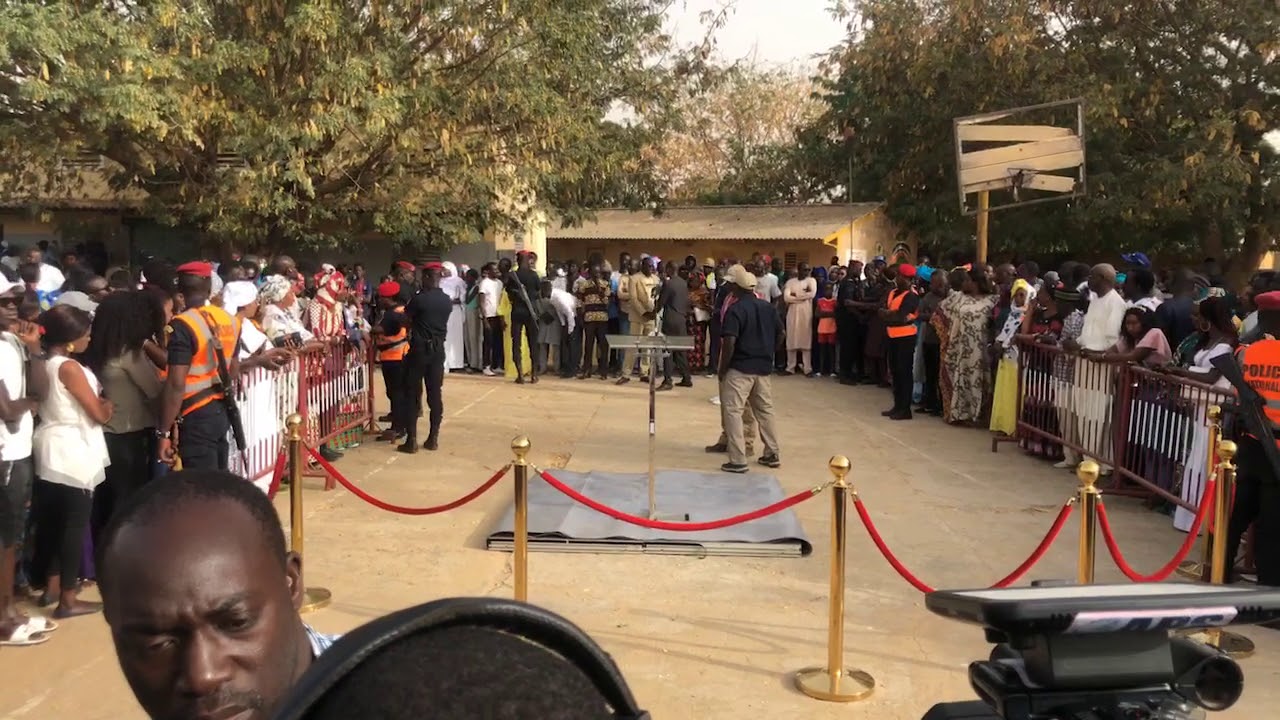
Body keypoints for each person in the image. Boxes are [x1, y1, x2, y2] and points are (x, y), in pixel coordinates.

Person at [99, 469, 339, 720]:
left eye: (236, 623)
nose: (203, 676)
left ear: (291, 583)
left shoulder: (369, 693)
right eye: (158, 645)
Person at [31, 305, 111, 618]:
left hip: (49, 445)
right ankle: (67, 597)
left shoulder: (42, 363)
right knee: (74, 525)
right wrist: (107, 407)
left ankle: (51, 587)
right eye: (85, 334)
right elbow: (97, 413)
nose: (89, 338)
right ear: (69, 341)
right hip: (73, 448)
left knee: (53, 521)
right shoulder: (70, 368)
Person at [82, 291, 164, 546]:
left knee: (105, 500)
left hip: (102, 433)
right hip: (131, 434)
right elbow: (155, 391)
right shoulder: (129, 354)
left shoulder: (93, 351)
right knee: (129, 499)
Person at [1160, 296, 1236, 532]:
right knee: (1194, 463)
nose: (1194, 319)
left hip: (1214, 410)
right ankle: (1188, 517)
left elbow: (1212, 376)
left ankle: (1203, 520)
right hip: (1199, 407)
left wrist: (1181, 372)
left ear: (1209, 318)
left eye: (1199, 316)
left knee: (1205, 463)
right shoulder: (1206, 340)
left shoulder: (1227, 343)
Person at [157, 262, 242, 471]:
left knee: (200, 482)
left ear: (180, 291)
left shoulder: (182, 324)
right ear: (209, 287)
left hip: (195, 413)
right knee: (218, 479)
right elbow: (233, 369)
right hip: (221, 409)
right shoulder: (229, 320)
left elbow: (176, 383)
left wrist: (164, 432)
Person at [1222, 291, 1280, 587]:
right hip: (1276, 449)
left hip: (1252, 442)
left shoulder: (1246, 353)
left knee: (1240, 513)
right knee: (1271, 523)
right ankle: (1269, 587)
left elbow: (1238, 396)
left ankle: (1221, 569)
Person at [0, 277, 45, 645]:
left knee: (12, 538)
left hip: (18, 451)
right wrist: (29, 403)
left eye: (14, 299)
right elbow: (8, 409)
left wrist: (34, 351)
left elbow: (39, 392)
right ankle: (4, 619)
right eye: (3, 302)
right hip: (6, 455)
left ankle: (9, 610)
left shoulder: (13, 342)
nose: (12, 306)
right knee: (5, 540)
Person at [717, 268, 782, 473]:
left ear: (737, 287)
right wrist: (769, 352)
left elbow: (729, 342)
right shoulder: (768, 308)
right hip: (762, 368)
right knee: (765, 411)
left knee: (733, 412)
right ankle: (772, 453)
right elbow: (781, 334)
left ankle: (738, 459)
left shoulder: (735, 310)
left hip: (740, 368)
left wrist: (723, 369)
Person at [1064, 263, 1127, 472]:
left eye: (1092, 276)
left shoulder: (1115, 303)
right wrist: (1076, 344)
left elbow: (1112, 340)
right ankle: (1089, 459)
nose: (1088, 280)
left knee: (1097, 413)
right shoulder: (1095, 300)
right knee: (1083, 412)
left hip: (1100, 365)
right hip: (1084, 362)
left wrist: (1088, 351)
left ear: (1103, 278)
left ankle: (1097, 462)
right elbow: (1089, 334)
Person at [400, 266, 452, 452]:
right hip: (438, 350)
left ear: (429, 277)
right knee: (435, 394)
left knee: (413, 393)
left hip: (419, 349)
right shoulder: (446, 300)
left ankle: (412, 440)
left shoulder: (420, 299)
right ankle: (433, 438)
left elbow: (406, 319)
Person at [936, 265, 996, 425]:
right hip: (961, 348)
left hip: (981, 349)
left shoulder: (992, 300)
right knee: (962, 379)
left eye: (968, 280)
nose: (964, 283)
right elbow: (941, 312)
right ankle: (961, 414)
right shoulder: (959, 298)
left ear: (975, 282)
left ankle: (979, 416)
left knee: (980, 380)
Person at [989, 279, 1032, 435]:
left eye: (1023, 295)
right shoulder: (1012, 314)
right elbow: (1004, 332)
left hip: (1018, 359)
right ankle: (1003, 424)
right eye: (1017, 295)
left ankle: (1014, 427)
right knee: (1004, 391)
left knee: (1016, 393)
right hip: (1006, 357)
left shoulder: (1027, 315)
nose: (1019, 299)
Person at [881, 264, 921, 420]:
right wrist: (890, 315)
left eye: (900, 276)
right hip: (891, 335)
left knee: (904, 372)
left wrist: (888, 315)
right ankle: (897, 405)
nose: (897, 278)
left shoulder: (911, 295)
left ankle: (905, 409)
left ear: (907, 279)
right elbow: (882, 309)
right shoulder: (892, 292)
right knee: (895, 372)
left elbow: (901, 316)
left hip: (906, 336)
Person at [372, 282, 410, 443]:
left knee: (396, 394)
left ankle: (397, 428)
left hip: (394, 357)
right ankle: (401, 425)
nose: (379, 300)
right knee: (398, 393)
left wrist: (367, 329)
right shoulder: (401, 310)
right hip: (401, 355)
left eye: (381, 297)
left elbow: (379, 330)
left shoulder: (392, 315)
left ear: (388, 298)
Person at [618, 257, 659, 385]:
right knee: (633, 346)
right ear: (643, 266)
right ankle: (626, 374)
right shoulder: (634, 279)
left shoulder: (656, 279)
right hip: (638, 317)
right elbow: (634, 299)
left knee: (647, 347)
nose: (651, 268)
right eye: (649, 266)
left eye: (652, 266)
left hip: (651, 317)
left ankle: (644, 372)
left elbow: (657, 296)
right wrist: (644, 312)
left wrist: (654, 312)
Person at [505, 252, 541, 384]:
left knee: (516, 343)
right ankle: (534, 375)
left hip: (517, 312)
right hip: (531, 312)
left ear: (518, 261)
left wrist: (517, 295)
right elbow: (538, 292)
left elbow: (509, 293)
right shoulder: (534, 275)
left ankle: (520, 374)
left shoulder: (513, 276)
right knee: (533, 343)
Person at [916, 271, 948, 415]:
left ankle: (941, 405)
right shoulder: (928, 297)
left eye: (937, 283)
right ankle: (929, 403)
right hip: (929, 339)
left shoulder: (950, 298)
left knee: (941, 374)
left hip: (943, 342)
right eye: (933, 282)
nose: (934, 286)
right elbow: (920, 314)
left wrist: (933, 316)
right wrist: (935, 317)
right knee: (929, 374)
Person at [657, 265, 692, 390]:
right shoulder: (683, 283)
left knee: (668, 350)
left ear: (670, 270)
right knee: (681, 350)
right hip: (681, 319)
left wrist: (651, 312)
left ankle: (667, 380)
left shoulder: (668, 284)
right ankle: (686, 378)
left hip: (670, 319)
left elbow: (661, 303)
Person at [575, 264, 611, 380]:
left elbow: (607, 302)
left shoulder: (605, 284)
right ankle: (587, 370)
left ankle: (603, 371)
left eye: (598, 273)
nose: (596, 275)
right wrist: (580, 316)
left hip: (602, 318)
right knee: (588, 345)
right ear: (590, 273)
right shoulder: (584, 285)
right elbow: (579, 301)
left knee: (603, 345)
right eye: (594, 273)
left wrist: (601, 294)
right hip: (589, 318)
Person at [836, 261, 868, 384]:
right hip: (847, 320)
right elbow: (848, 303)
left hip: (853, 321)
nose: (860, 271)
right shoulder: (848, 283)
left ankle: (851, 373)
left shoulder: (855, 282)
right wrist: (860, 315)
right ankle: (844, 374)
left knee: (853, 348)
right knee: (847, 348)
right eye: (859, 269)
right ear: (852, 268)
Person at [782, 263, 817, 375]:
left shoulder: (811, 281)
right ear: (799, 270)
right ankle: (790, 368)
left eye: (808, 270)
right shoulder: (790, 282)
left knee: (806, 341)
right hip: (792, 313)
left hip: (806, 314)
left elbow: (812, 294)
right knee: (791, 340)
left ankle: (807, 369)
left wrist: (795, 296)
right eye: (804, 269)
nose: (806, 272)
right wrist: (802, 297)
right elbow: (786, 297)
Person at [439, 262, 467, 373]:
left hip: (455, 311)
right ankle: (445, 362)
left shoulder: (459, 281)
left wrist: (453, 300)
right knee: (445, 336)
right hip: (443, 311)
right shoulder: (440, 281)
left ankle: (456, 363)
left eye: (445, 269)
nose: (443, 271)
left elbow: (463, 297)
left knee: (455, 336)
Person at [462, 268, 484, 373]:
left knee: (474, 337)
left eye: (468, 277)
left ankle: (476, 363)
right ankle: (470, 361)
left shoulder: (476, 287)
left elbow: (468, 300)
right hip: (467, 312)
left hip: (474, 313)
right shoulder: (468, 287)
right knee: (467, 337)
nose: (466, 279)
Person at [814, 282, 838, 377]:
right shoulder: (820, 301)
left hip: (832, 328)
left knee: (831, 350)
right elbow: (817, 314)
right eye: (826, 289)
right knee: (822, 350)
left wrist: (824, 313)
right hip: (822, 329)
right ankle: (821, 370)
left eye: (830, 289)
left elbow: (836, 314)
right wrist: (829, 313)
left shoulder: (835, 302)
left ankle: (832, 370)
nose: (828, 291)